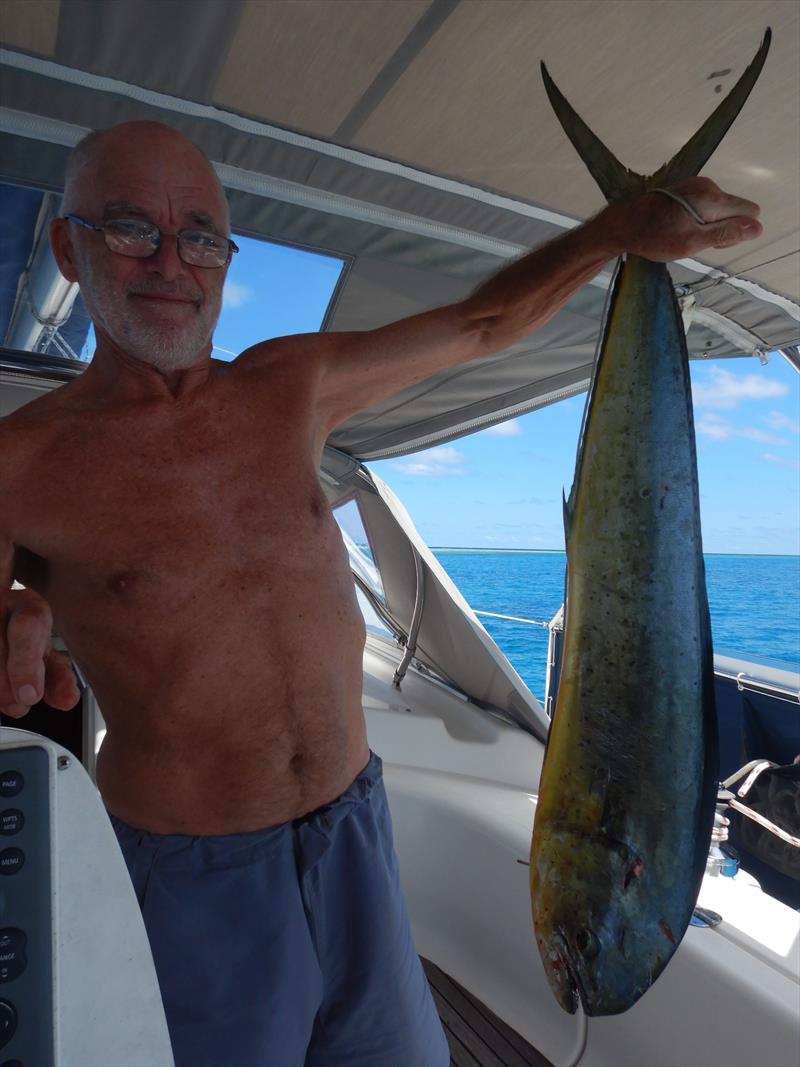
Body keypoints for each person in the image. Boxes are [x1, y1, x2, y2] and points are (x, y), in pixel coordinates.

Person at [0, 121, 761, 1066]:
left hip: (357, 836)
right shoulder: (18, 461)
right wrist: (23, 618)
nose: (170, 261)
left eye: (199, 234)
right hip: (195, 873)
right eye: (128, 228)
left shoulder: (291, 385)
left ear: (226, 258)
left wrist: (618, 234)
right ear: (69, 246)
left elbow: (481, 326)